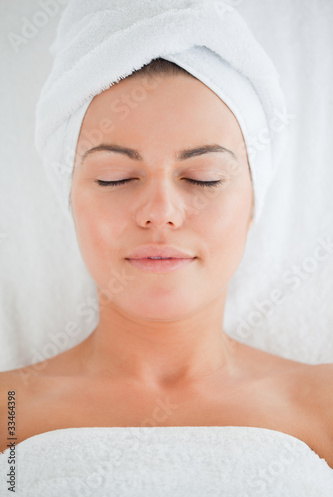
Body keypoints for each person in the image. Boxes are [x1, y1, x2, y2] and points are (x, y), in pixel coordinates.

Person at [0, 57, 333, 469]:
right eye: (115, 177)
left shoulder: (324, 404)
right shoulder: (9, 411)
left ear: (252, 206)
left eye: (203, 178)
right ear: (71, 202)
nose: (160, 213)